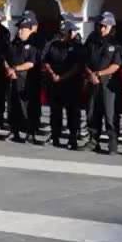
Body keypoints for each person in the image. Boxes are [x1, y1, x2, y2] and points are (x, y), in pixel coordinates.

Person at [84, 13, 122, 155]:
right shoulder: (91, 39)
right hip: (93, 81)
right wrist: (91, 74)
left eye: (105, 26)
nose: (102, 28)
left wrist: (99, 74)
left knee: (109, 113)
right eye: (100, 25)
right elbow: (85, 60)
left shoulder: (115, 43)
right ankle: (93, 140)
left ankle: (112, 143)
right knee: (92, 111)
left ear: (111, 26)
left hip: (108, 82)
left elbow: (116, 65)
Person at [43, 21, 84, 149]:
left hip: (71, 84)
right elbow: (46, 61)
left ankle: (73, 138)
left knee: (72, 113)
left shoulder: (77, 47)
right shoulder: (53, 45)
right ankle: (55, 136)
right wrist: (53, 74)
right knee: (55, 112)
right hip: (56, 84)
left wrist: (61, 77)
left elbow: (77, 66)